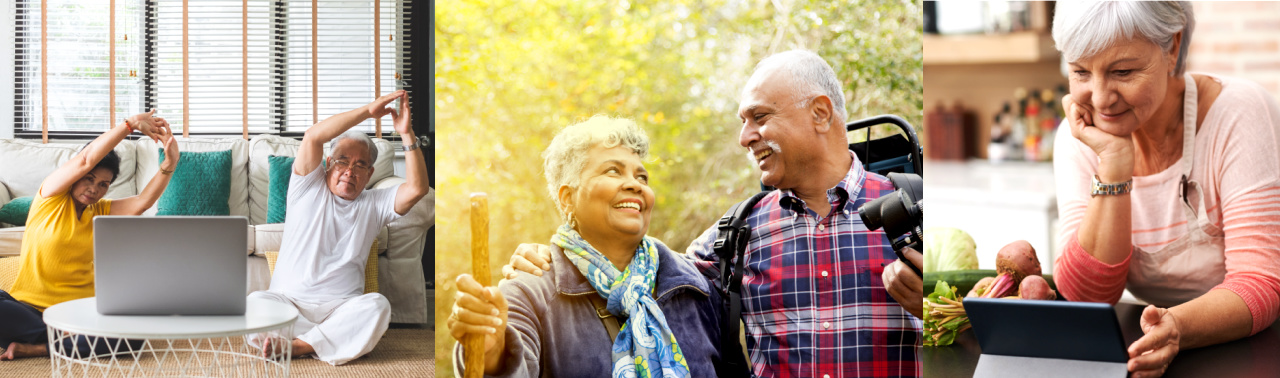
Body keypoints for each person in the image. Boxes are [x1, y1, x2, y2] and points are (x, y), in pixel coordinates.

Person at [504, 50, 923, 376]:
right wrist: (548, 259)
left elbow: (984, 331)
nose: (744, 137)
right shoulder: (731, 239)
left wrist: (938, 310)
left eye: (759, 117)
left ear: (819, 113)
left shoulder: (922, 214)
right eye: (743, 121)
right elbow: (633, 269)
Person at [1051, 2, 1280, 377]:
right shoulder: (1079, 138)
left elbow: (1261, 282)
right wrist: (1113, 166)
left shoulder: (1240, 113)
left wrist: (1178, 327)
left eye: (1122, 71)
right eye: (1080, 72)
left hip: (1248, 348)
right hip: (1149, 344)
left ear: (1172, 47)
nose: (1100, 98)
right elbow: (1087, 299)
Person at [446, 116, 723, 377]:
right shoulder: (529, 291)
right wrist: (494, 351)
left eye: (642, 177)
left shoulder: (696, 286)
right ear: (567, 198)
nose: (635, 185)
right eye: (613, 171)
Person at [246, 90, 430, 365]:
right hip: (289, 304)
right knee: (255, 302)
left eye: (360, 166)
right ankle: (334, 341)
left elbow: (417, 188)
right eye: (343, 161)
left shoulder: (374, 203)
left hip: (342, 309)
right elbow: (313, 137)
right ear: (328, 164)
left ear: (369, 174)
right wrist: (369, 111)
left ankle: (297, 346)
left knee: (377, 306)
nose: (349, 171)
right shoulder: (307, 186)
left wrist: (407, 133)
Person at [0, 110, 177, 360]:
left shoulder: (100, 211)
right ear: (74, 176)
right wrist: (129, 125)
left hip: (79, 312)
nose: (94, 189)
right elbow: (85, 159)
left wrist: (169, 165)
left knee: (135, 330)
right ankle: (75, 343)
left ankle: (40, 347)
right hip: (28, 309)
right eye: (89, 179)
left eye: (103, 184)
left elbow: (142, 202)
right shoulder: (49, 197)